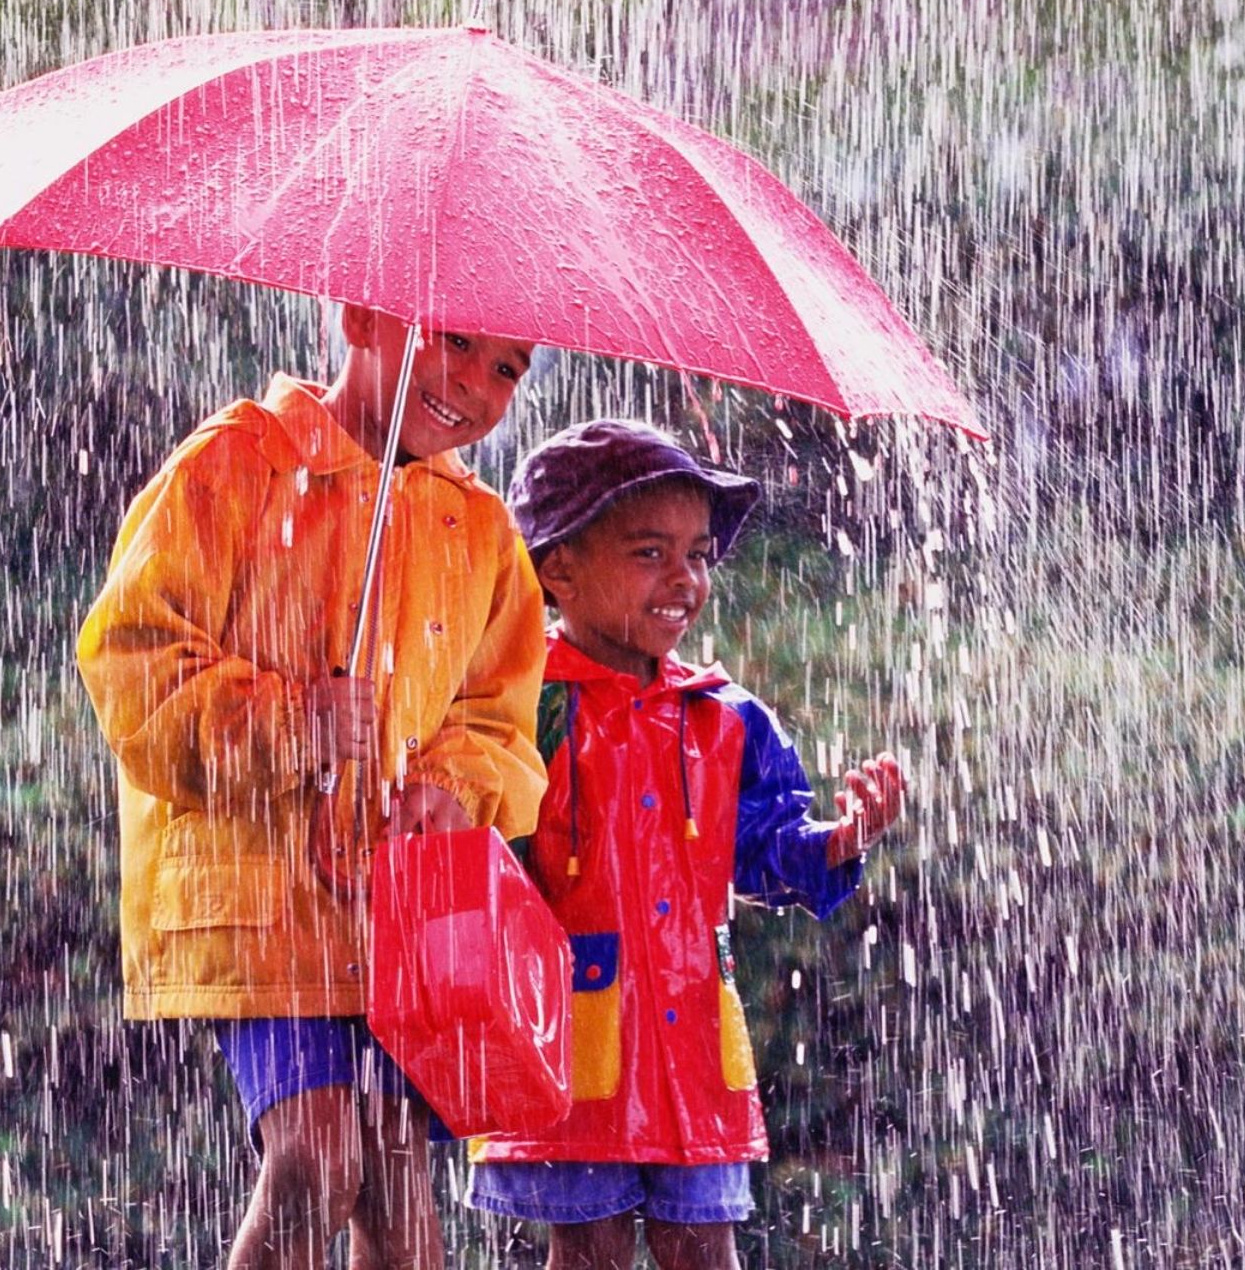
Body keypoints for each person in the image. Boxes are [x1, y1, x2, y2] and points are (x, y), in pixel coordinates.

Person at [76, 306, 550, 1269]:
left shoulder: (483, 535)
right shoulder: (237, 467)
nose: (471, 386)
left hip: (397, 926)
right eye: (454, 341)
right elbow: (132, 662)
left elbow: (499, 721)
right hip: (265, 908)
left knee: (399, 1200)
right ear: (363, 314)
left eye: (507, 369)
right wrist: (291, 723)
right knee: (318, 1160)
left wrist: (452, 790)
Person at [469, 419, 905, 1270]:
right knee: (587, 1248)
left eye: (698, 555)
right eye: (648, 553)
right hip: (571, 1030)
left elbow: (766, 847)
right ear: (558, 568)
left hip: (694, 1039)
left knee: (705, 1247)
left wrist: (841, 839)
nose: (685, 580)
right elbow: (484, 849)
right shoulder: (520, 709)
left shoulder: (724, 717)